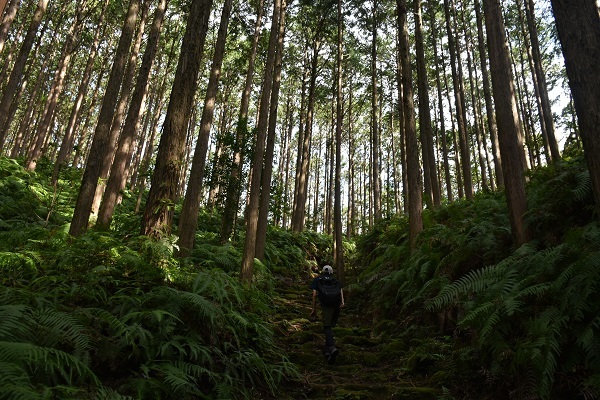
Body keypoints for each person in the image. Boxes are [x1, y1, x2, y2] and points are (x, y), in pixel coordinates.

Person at [309, 265, 345, 364]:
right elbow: (341, 291)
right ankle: (327, 352)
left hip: (326, 305)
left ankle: (332, 347)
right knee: (330, 325)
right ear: (331, 272)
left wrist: (314, 309)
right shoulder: (335, 281)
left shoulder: (318, 280)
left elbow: (314, 295)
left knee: (327, 326)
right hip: (336, 305)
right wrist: (342, 302)